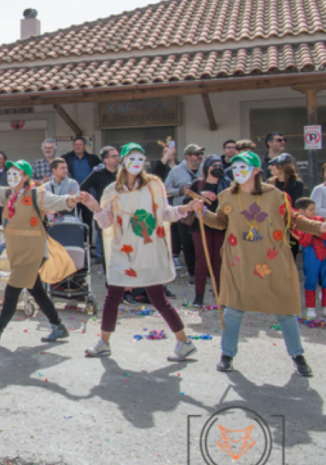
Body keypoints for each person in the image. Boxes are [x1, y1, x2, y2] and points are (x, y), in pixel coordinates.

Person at [198, 152, 325, 377]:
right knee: (233, 310)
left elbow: (294, 220)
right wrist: (203, 213)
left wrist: (319, 227)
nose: (237, 171)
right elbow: (219, 222)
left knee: (285, 310)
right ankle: (227, 354)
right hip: (240, 262)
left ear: (256, 170)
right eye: (235, 167)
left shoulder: (275, 195)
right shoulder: (227, 195)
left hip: (273, 262)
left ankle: (297, 355)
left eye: (243, 167)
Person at [78, 144, 197, 361]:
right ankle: (104, 342)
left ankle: (184, 341)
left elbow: (165, 213)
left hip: (148, 250)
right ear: (123, 161)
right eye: (131, 159)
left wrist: (185, 209)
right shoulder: (112, 190)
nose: (136, 163)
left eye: (140, 159)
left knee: (157, 297)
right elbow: (106, 222)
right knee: (113, 296)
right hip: (123, 251)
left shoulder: (153, 185)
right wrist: (94, 206)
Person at [0, 158, 86, 344]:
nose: (11, 176)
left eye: (15, 173)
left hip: (32, 251)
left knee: (12, 289)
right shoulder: (8, 194)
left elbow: (56, 201)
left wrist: (73, 199)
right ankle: (58, 326)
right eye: (9, 173)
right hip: (18, 251)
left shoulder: (36, 193)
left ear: (25, 177)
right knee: (36, 290)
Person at [182, 155, 226, 307]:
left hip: (221, 226)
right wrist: (201, 195)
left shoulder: (226, 184)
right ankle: (199, 296)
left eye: (220, 165)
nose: (218, 168)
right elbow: (186, 201)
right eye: (214, 165)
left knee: (219, 261)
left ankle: (221, 295)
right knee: (202, 260)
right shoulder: (199, 183)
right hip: (200, 227)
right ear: (207, 167)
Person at [165, 144, 204, 280]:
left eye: (200, 154)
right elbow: (165, 189)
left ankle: (204, 272)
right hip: (183, 212)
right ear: (187, 156)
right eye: (196, 154)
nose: (199, 157)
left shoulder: (204, 170)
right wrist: (180, 191)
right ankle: (192, 273)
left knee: (201, 243)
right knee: (187, 244)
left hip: (201, 212)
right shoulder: (176, 171)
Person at [80, 146, 119, 267]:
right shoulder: (98, 174)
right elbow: (82, 188)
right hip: (103, 213)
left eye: (118, 156)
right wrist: (93, 201)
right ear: (105, 160)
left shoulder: (124, 173)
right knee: (106, 247)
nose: (117, 158)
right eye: (113, 156)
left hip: (122, 213)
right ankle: (109, 277)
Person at [268, 153, 305, 259]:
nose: (271, 167)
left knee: (290, 258)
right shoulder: (270, 183)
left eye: (274, 165)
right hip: (272, 225)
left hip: (289, 226)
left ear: (282, 167)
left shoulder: (297, 184)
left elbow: (293, 205)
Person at [294, 197, 326, 320]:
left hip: (324, 252)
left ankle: (325, 306)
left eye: (314, 209)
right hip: (311, 256)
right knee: (311, 281)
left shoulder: (319, 219)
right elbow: (305, 242)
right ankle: (310, 308)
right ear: (301, 211)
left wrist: (315, 230)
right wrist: (313, 229)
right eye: (311, 210)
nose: (314, 212)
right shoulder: (297, 225)